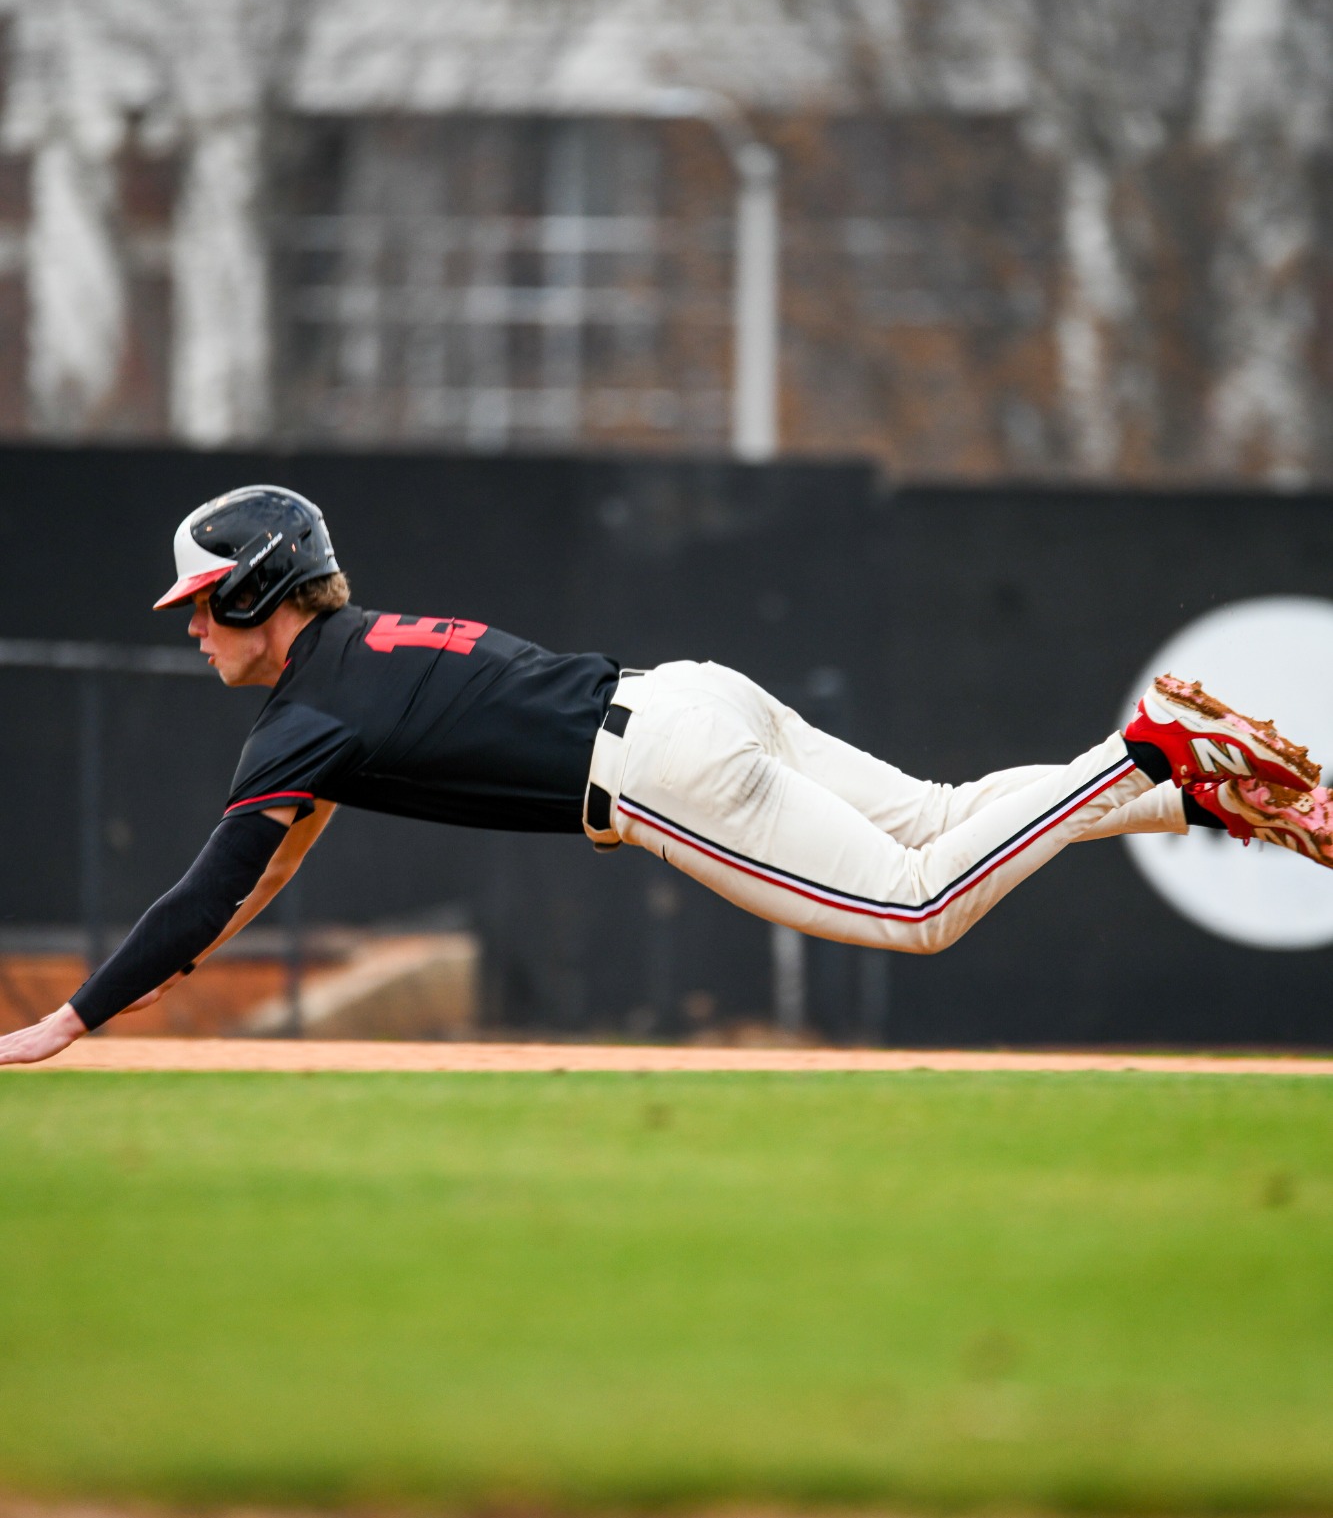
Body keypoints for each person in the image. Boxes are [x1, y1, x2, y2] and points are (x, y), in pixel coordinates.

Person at [1, 484, 1329, 1066]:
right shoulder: (347, 669)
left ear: (258, 591)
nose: (190, 626)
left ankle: (1141, 750)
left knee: (918, 908)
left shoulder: (307, 720)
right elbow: (256, 880)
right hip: (687, 696)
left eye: (203, 603)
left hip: (656, 768)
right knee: (937, 819)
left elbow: (202, 890)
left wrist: (73, 1019)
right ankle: (1194, 791)